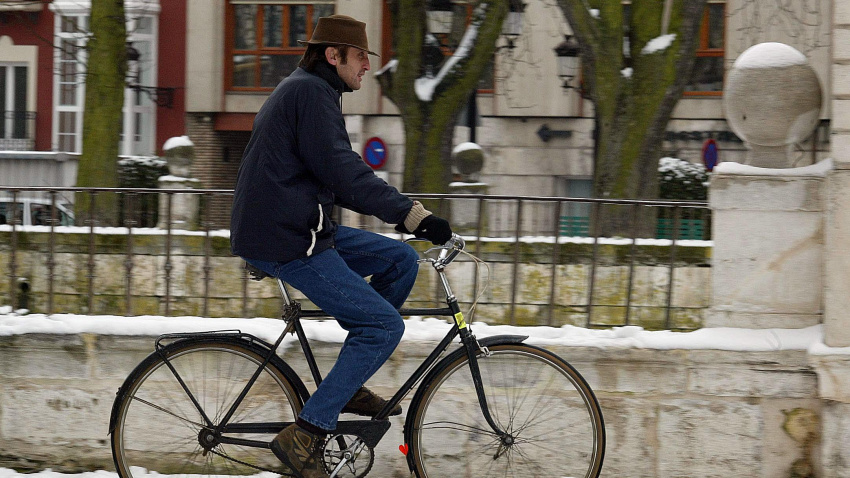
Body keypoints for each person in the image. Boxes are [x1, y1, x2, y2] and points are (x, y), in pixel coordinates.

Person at [229, 14, 453, 478]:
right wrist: (414, 216)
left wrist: (406, 221)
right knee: (383, 326)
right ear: (333, 55)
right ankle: (307, 432)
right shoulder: (310, 93)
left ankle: (347, 383)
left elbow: (336, 174)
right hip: (287, 237)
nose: (368, 65)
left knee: (400, 259)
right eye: (361, 56)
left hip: (297, 225)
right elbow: (344, 173)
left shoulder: (311, 90)